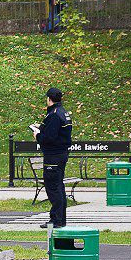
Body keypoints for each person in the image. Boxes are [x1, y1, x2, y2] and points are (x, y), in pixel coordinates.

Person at [32, 87, 72, 228]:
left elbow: (49, 138)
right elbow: (56, 132)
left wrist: (37, 135)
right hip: (61, 154)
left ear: (49, 99)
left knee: (53, 188)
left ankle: (56, 220)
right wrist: (42, 127)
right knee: (59, 186)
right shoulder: (63, 112)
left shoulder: (54, 115)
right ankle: (60, 219)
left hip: (53, 156)